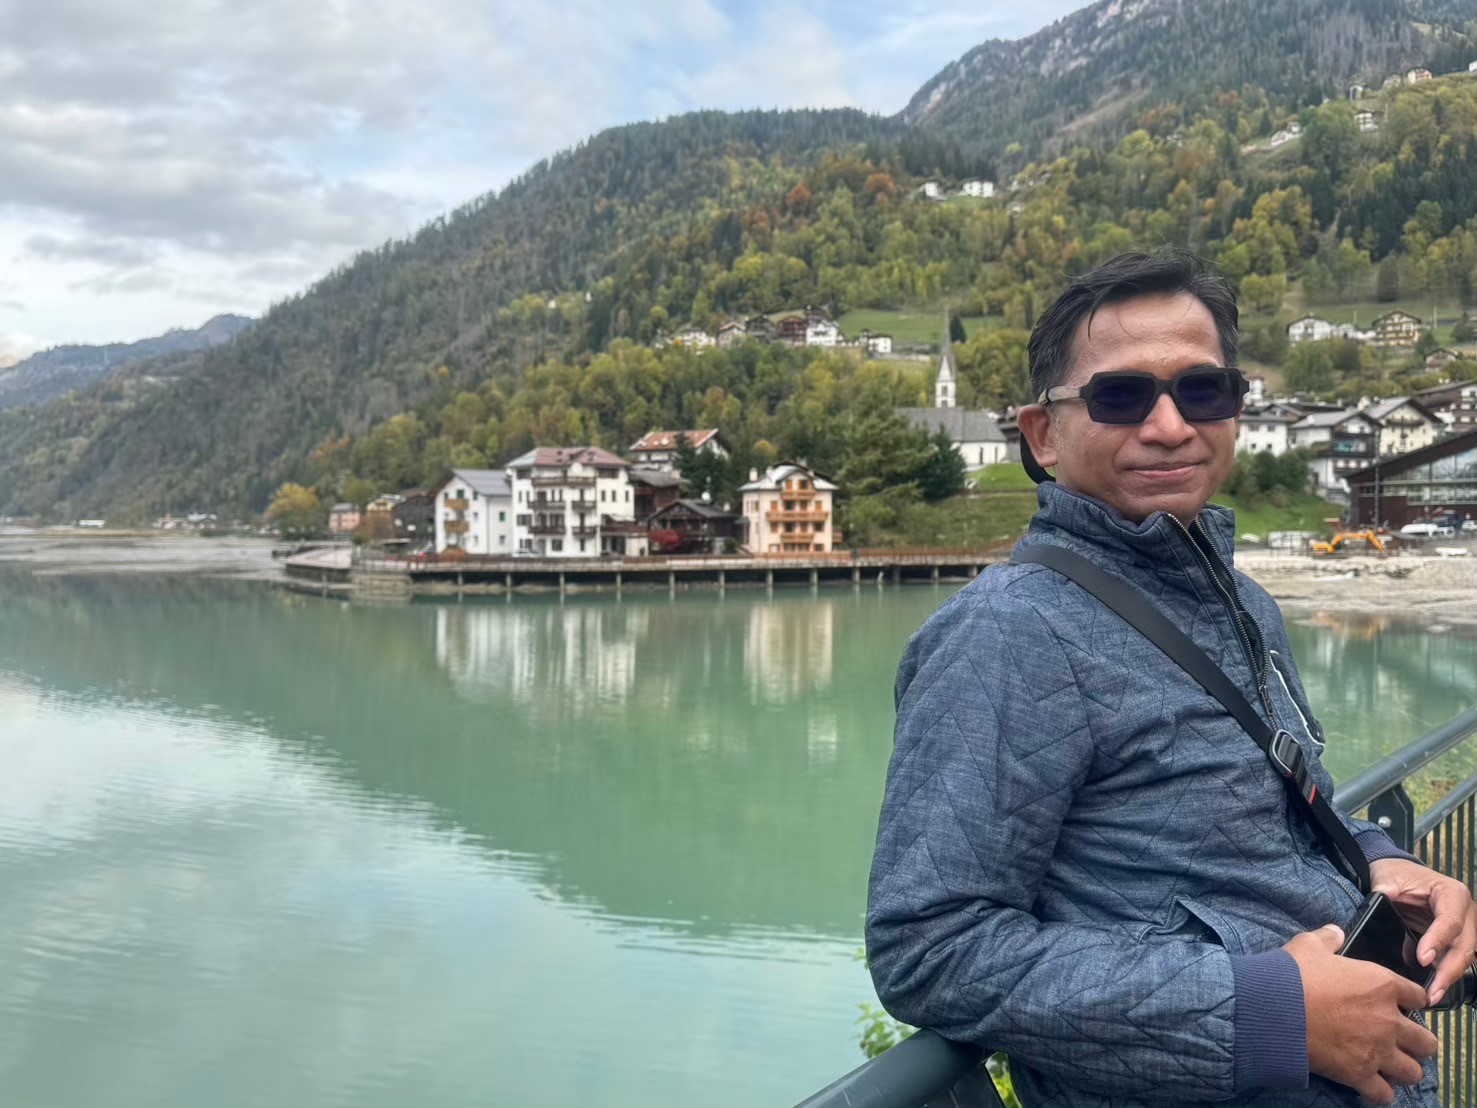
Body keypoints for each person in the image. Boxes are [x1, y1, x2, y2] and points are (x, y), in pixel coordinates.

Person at [865, 251, 1475, 1107]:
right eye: (1120, 396)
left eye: (1201, 390)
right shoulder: (1005, 631)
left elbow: (1276, 806)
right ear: (1042, 434)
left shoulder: (1242, 602)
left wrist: (1379, 861)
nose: (1167, 425)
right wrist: (1265, 1013)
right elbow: (928, 948)